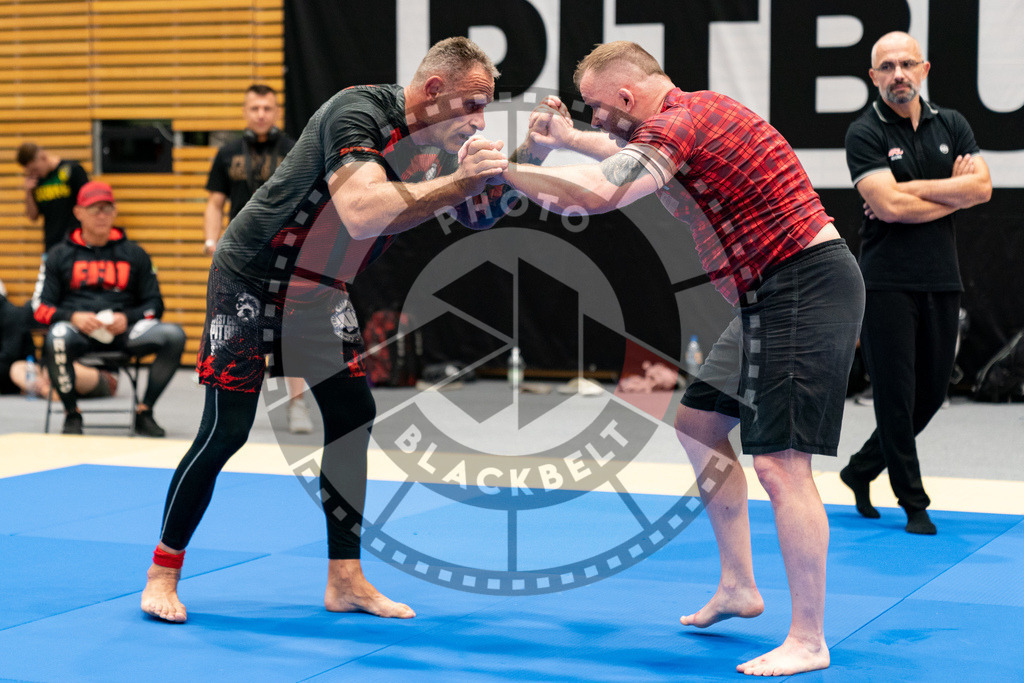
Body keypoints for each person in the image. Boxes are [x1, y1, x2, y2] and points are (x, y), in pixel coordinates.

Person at [502, 41, 864, 676]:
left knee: (782, 466)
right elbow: (619, 155)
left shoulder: (678, 121)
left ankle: (809, 638)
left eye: (594, 108)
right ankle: (738, 588)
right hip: (768, 294)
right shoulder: (687, 116)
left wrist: (499, 172)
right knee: (698, 423)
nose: (594, 119)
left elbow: (597, 194)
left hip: (804, 286)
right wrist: (565, 137)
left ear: (625, 98)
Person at [140, 36, 515, 624]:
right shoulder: (358, 113)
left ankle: (345, 580)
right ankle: (162, 573)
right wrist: (460, 182)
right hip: (253, 277)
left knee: (351, 416)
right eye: (473, 105)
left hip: (319, 291)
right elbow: (364, 211)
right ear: (434, 92)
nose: (480, 119)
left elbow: (470, 211)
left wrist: (520, 167)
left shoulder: (440, 140)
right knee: (227, 430)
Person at [839, 32, 991, 535]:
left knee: (929, 394)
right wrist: (954, 192)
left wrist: (911, 190)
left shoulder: (953, 124)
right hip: (886, 282)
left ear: (924, 69)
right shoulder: (865, 133)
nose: (898, 74)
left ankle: (860, 469)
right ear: (873, 76)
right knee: (896, 395)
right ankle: (913, 502)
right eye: (887, 67)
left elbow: (983, 188)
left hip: (941, 278)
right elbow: (888, 207)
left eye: (907, 64)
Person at [33, 181, 187, 436]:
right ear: (78, 212)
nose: (102, 215)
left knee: (174, 335)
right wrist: (73, 317)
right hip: (77, 332)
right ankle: (72, 414)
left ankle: (144, 411)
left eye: (107, 208)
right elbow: (40, 308)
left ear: (115, 212)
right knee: (56, 337)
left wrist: (127, 318)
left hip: (124, 333)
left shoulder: (135, 254)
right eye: (94, 209)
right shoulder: (58, 255)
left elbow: (155, 305)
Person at [202, 84, 313, 433]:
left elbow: (308, 199)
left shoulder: (294, 149)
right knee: (234, 325)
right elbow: (215, 202)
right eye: (255, 108)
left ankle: (297, 405)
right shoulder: (228, 152)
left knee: (292, 327)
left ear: (276, 111)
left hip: (284, 252)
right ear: (245, 112)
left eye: (267, 108)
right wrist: (211, 240)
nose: (261, 114)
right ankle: (229, 399)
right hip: (239, 255)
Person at [16, 142, 90, 252]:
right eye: (30, 171)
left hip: (76, 242)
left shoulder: (73, 169)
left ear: (43, 157)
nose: (35, 173)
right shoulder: (37, 181)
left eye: (35, 169)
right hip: (52, 245)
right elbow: (33, 216)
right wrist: (28, 192)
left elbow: (89, 204)